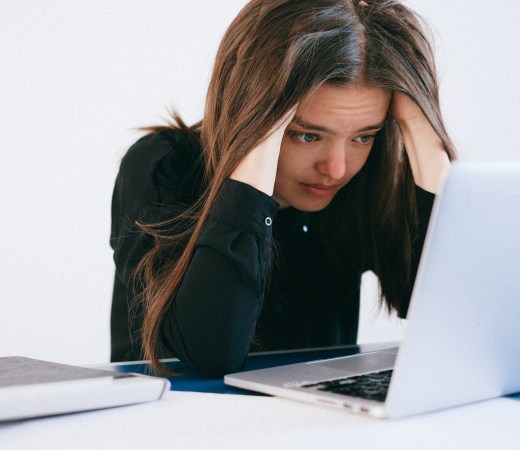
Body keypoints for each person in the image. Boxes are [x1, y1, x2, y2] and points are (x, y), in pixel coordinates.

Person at [110, 0, 456, 377]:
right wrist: (257, 144)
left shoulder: (365, 179)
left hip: (316, 423)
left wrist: (426, 134)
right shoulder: (164, 167)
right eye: (306, 135)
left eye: (364, 136)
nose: (336, 169)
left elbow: (456, 319)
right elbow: (211, 354)